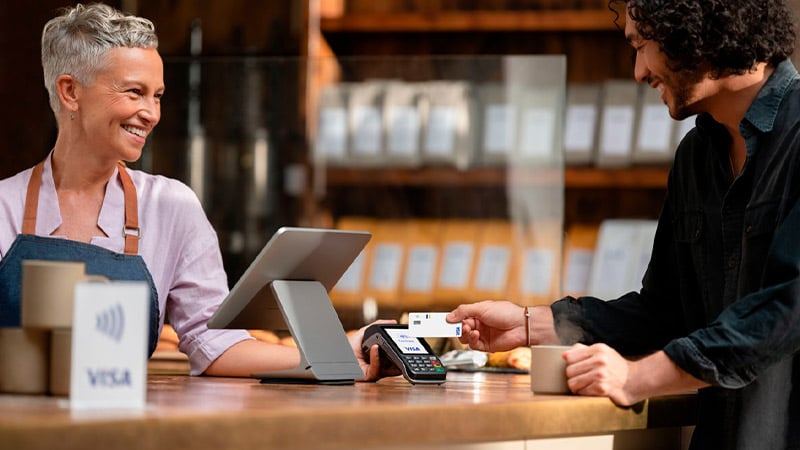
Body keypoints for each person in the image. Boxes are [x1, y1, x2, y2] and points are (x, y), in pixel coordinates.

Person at [448, 0, 800, 448]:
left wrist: (637, 377)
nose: (638, 72)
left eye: (643, 45)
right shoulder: (694, 157)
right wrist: (531, 323)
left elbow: (787, 309)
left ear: (699, 29)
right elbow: (664, 313)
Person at [0, 3, 387, 381]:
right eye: (134, 92)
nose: (151, 113)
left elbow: (212, 341)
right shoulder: (5, 206)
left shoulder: (171, 206)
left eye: (158, 95)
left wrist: (336, 353)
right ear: (70, 92)